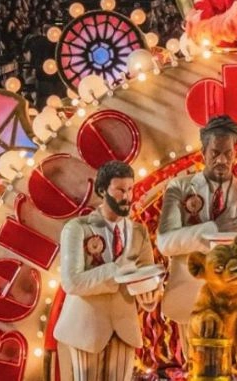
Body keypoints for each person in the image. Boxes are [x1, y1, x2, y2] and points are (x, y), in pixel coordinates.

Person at [156, 115, 237, 357]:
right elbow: (165, 243)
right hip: (189, 304)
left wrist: (236, 262)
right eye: (215, 152)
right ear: (203, 152)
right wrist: (215, 228)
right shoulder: (179, 188)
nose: (222, 159)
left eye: (228, 153)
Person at [53, 161, 158, 381]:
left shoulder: (139, 232)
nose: (127, 196)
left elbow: (148, 275)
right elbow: (72, 282)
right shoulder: (77, 228)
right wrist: (117, 270)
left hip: (124, 328)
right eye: (120, 190)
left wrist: (150, 296)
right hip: (86, 329)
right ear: (102, 191)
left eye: (130, 189)